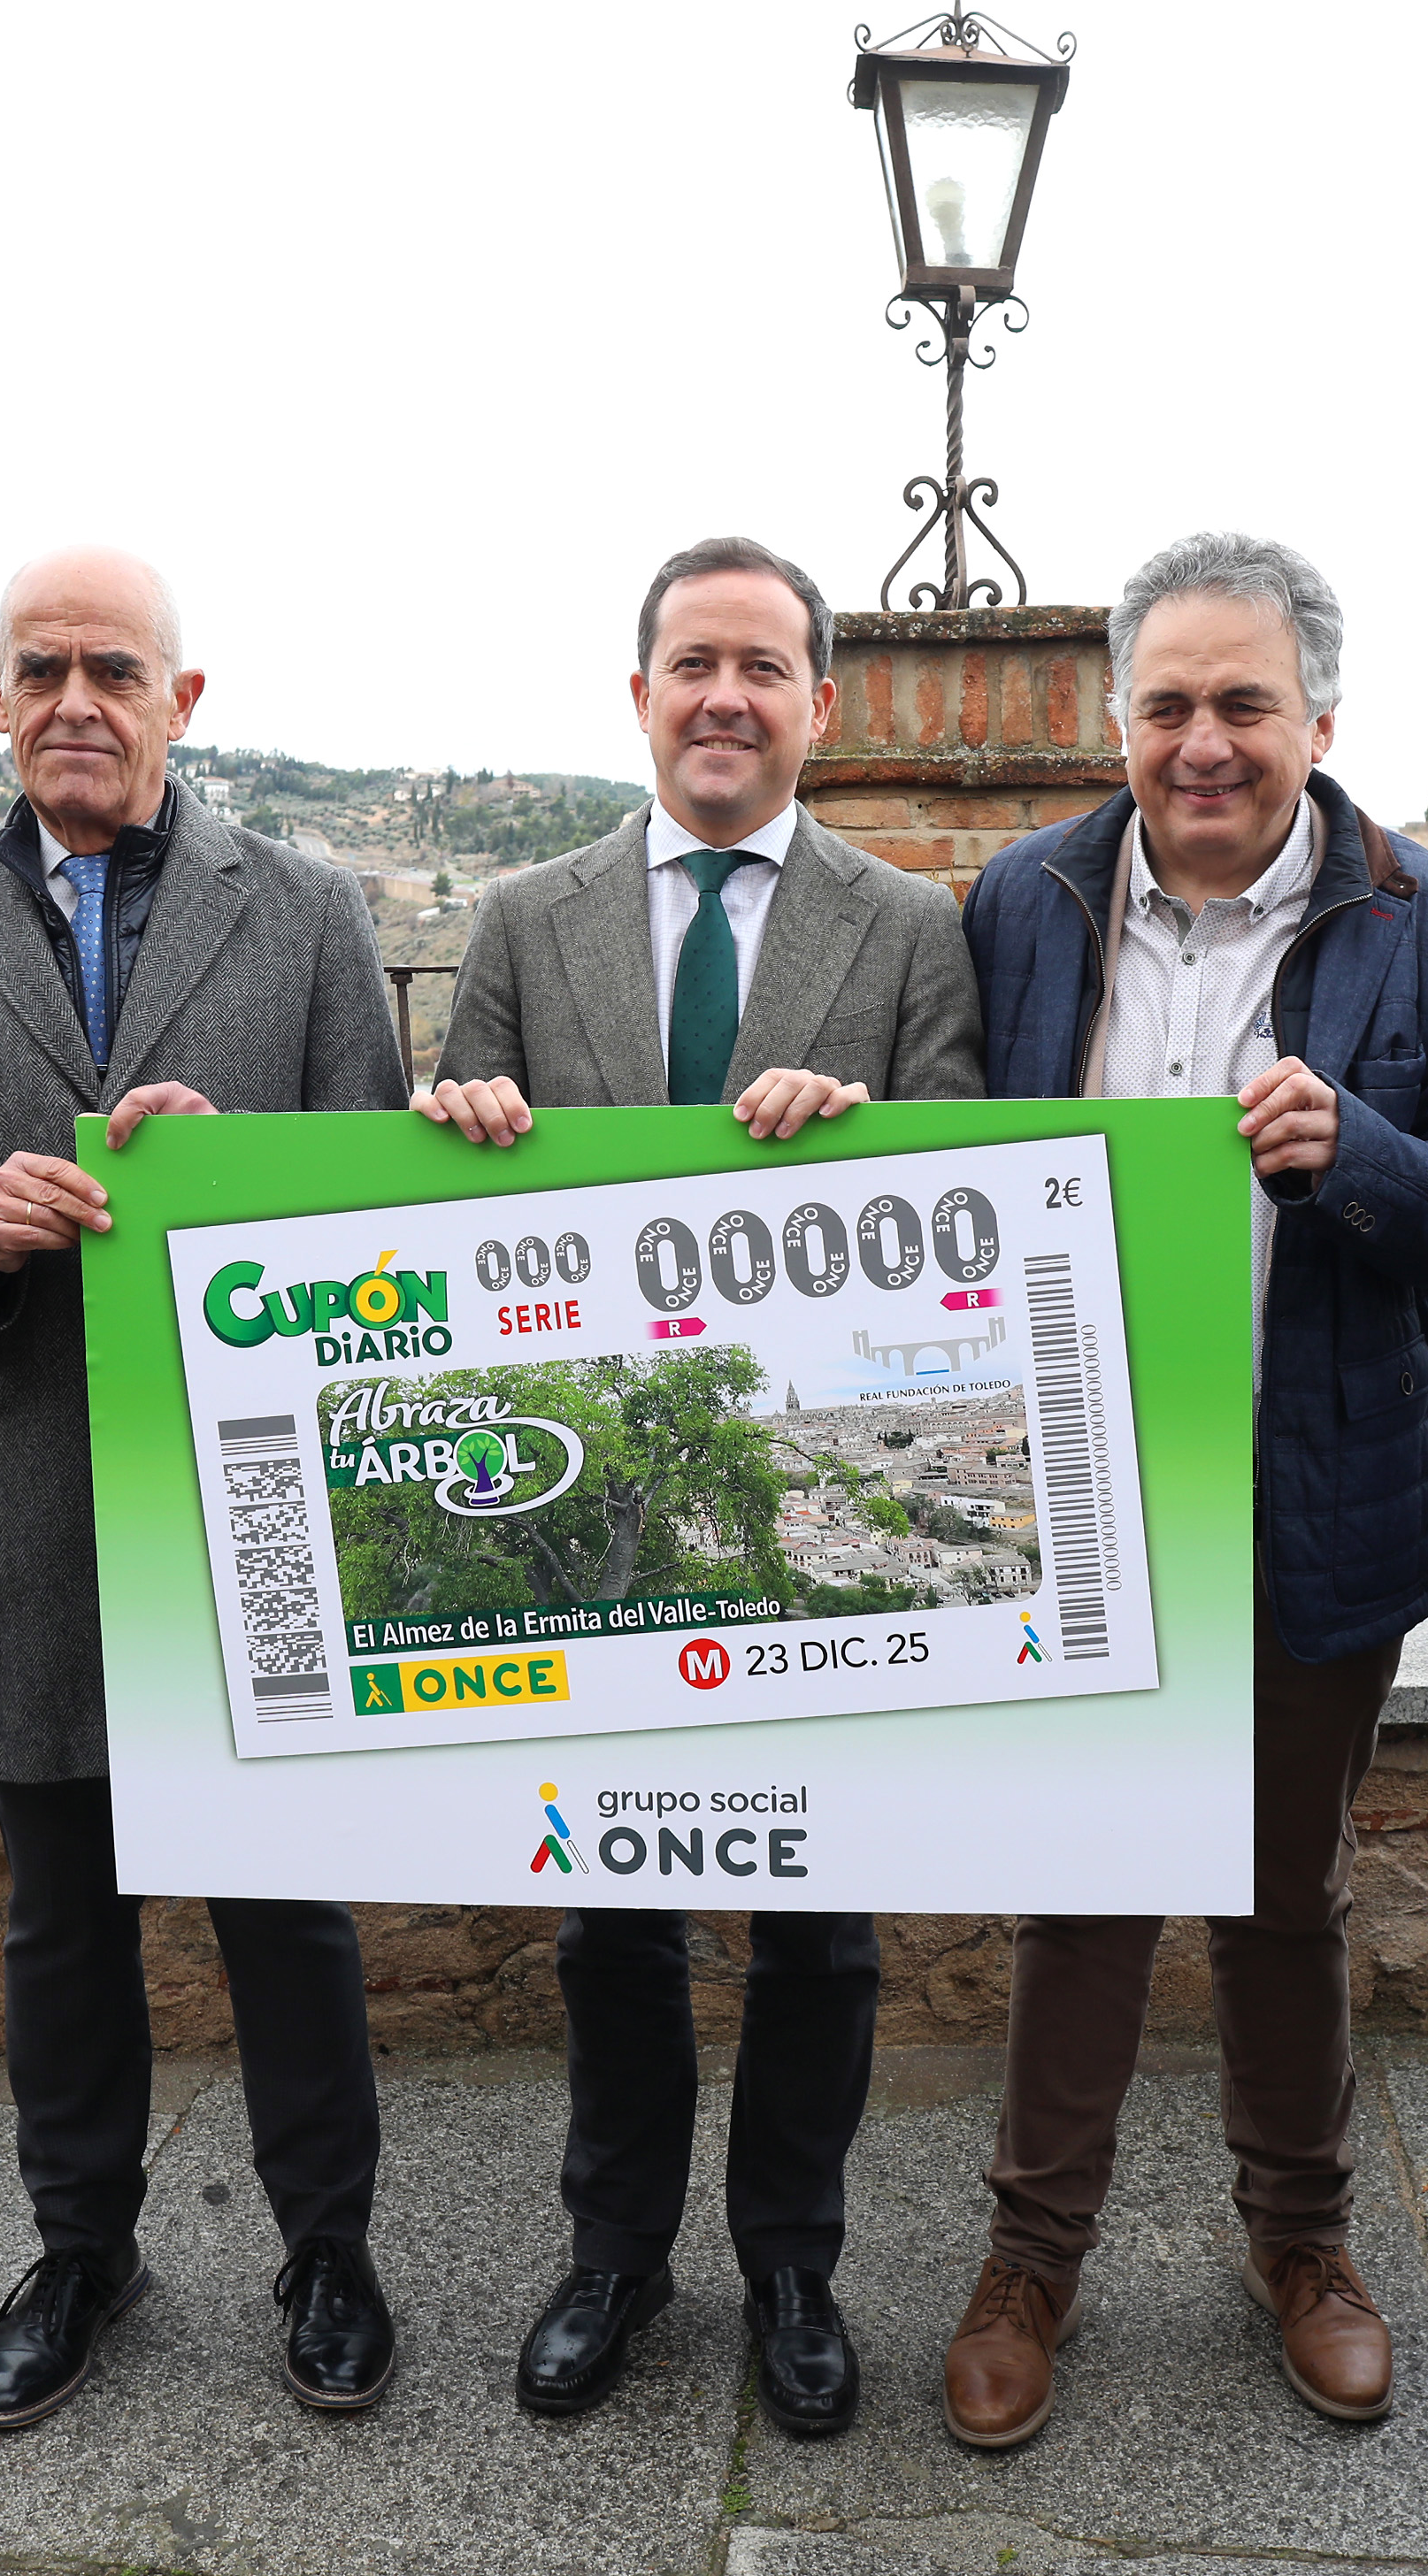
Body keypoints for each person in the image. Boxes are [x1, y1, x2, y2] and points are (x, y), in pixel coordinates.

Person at [937, 531, 1428, 2446]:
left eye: (1243, 706)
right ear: (1122, 721)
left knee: (1285, 1892)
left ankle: (1302, 2239)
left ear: (1321, 720)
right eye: (1170, 706)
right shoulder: (1024, 900)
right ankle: (1035, 2253)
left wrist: (1354, 1148)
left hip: (1310, 1501)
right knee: (1083, 1890)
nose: (1204, 744)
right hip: (1072, 1497)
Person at [0, 548, 407, 2427]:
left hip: (263, 1510)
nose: (77, 697)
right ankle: (84, 2250)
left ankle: (329, 2251)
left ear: (184, 697)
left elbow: (389, 1206)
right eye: (40, 667)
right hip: (25, 1494)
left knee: (287, 1909)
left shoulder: (307, 913)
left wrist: (254, 1194)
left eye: (113, 668)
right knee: (60, 1918)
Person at [415, 535, 983, 2434]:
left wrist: (878, 1135)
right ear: (640, 692)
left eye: (763, 664)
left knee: (823, 1921)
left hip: (797, 1508)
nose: (724, 694)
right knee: (612, 1917)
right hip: (598, 1508)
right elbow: (440, 1224)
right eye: (692, 661)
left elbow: (970, 1199)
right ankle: (615, 2257)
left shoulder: (910, 933)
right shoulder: (519, 920)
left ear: (821, 702)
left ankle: (793, 2264)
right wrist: (459, 1122)